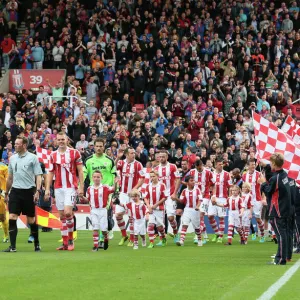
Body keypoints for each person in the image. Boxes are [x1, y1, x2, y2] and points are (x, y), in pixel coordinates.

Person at [3, 136, 43, 252]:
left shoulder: (33, 158)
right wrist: (6, 193)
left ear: (24, 145)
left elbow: (38, 176)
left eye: (17, 144)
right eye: (14, 143)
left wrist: (38, 191)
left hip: (29, 191)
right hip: (15, 191)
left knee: (31, 220)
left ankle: (36, 244)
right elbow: (10, 178)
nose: (15, 145)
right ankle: (12, 246)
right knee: (12, 216)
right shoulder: (13, 159)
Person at [45, 132, 84, 251]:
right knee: (62, 215)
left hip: (70, 187)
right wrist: (47, 189)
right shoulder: (52, 155)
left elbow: (80, 171)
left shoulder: (74, 153)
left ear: (67, 140)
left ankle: (71, 240)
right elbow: (50, 172)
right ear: (56, 141)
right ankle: (65, 243)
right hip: (58, 188)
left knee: (68, 213)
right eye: (59, 139)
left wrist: (81, 187)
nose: (61, 141)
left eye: (63, 139)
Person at [260, 153, 292, 265]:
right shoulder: (284, 175)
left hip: (277, 209)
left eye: (271, 163)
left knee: (280, 234)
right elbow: (274, 175)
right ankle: (280, 257)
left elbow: (268, 191)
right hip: (285, 208)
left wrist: (263, 183)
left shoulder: (276, 178)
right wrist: (267, 166)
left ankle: (281, 259)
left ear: (274, 163)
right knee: (282, 233)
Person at [84, 138, 117, 246]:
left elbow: (115, 176)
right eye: (96, 146)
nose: (98, 148)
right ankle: (107, 230)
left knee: (105, 212)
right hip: (93, 190)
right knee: (96, 216)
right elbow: (83, 175)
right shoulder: (88, 160)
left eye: (100, 146)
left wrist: (115, 190)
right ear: (94, 147)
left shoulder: (109, 160)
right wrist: (80, 188)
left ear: (104, 147)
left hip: (106, 191)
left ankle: (102, 239)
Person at [115, 147, 144, 246]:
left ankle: (132, 239)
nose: (133, 154)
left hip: (133, 195)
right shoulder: (121, 163)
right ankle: (124, 235)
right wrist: (117, 158)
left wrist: (134, 189)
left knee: (132, 217)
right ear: (127, 154)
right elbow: (113, 168)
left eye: (134, 153)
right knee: (118, 215)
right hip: (123, 194)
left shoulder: (138, 164)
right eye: (131, 153)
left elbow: (142, 178)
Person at [154, 150, 180, 244]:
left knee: (170, 218)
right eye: (160, 157)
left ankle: (175, 233)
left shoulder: (173, 166)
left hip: (170, 195)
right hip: (160, 197)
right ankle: (162, 238)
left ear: (167, 157)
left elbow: (178, 179)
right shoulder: (156, 168)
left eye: (163, 157)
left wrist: (175, 193)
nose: (161, 158)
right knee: (159, 220)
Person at [85, 170, 115, 251]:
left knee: (104, 229)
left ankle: (106, 238)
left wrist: (116, 182)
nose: (96, 178)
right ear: (92, 178)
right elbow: (87, 199)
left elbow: (113, 189)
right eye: (94, 177)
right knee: (95, 227)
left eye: (98, 177)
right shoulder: (89, 189)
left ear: (101, 178)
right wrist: (81, 196)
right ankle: (95, 246)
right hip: (93, 210)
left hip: (103, 210)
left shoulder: (105, 187)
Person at [208, 158, 232, 243]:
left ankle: (220, 237)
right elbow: (210, 186)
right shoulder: (211, 174)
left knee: (221, 217)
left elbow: (230, 187)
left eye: (222, 164)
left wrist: (229, 197)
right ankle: (217, 232)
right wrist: (211, 195)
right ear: (215, 165)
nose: (221, 166)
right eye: (219, 164)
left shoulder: (227, 174)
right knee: (210, 216)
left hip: (223, 198)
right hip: (213, 197)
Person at [189, 159, 213, 243]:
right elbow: (187, 182)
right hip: (195, 197)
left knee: (201, 214)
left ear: (202, 165)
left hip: (205, 196)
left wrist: (213, 195)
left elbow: (214, 184)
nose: (198, 170)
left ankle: (197, 235)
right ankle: (205, 235)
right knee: (196, 216)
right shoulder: (192, 172)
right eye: (197, 168)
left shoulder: (208, 172)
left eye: (199, 168)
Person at [242, 159, 265, 242]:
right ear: (248, 166)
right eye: (251, 165)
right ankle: (245, 237)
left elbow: (264, 186)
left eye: (254, 165)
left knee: (258, 219)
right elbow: (244, 188)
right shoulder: (244, 175)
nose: (253, 166)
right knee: (246, 218)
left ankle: (262, 234)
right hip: (247, 200)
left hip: (257, 200)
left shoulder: (259, 174)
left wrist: (264, 198)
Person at [176, 176, 202, 247]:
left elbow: (200, 199)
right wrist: (176, 199)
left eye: (193, 180)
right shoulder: (184, 191)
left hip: (195, 210)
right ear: (187, 183)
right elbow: (181, 201)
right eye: (191, 180)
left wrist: (197, 206)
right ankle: (181, 241)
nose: (193, 182)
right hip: (187, 209)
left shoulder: (197, 190)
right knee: (185, 225)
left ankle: (199, 239)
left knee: (197, 228)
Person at [144, 170, 167, 248]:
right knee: (150, 226)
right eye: (151, 176)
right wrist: (149, 206)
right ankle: (151, 242)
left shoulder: (162, 185)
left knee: (159, 227)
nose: (152, 178)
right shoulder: (148, 186)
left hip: (159, 209)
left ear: (157, 176)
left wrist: (156, 205)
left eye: (153, 176)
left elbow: (165, 197)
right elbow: (145, 197)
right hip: (151, 210)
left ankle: (163, 237)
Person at [0, 162, 9, 243]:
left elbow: (8, 180)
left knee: (2, 217)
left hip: (1, 195)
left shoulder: (4, 167)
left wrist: (6, 192)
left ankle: (6, 235)